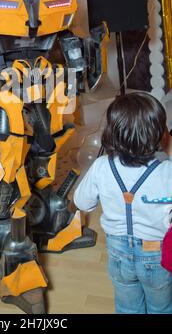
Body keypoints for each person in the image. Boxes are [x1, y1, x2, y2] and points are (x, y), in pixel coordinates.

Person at [74, 92, 172, 314]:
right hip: (155, 255)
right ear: (161, 135)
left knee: (128, 307)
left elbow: (82, 202)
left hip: (118, 254)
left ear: (111, 133)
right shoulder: (167, 172)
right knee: (162, 307)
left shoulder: (101, 166)